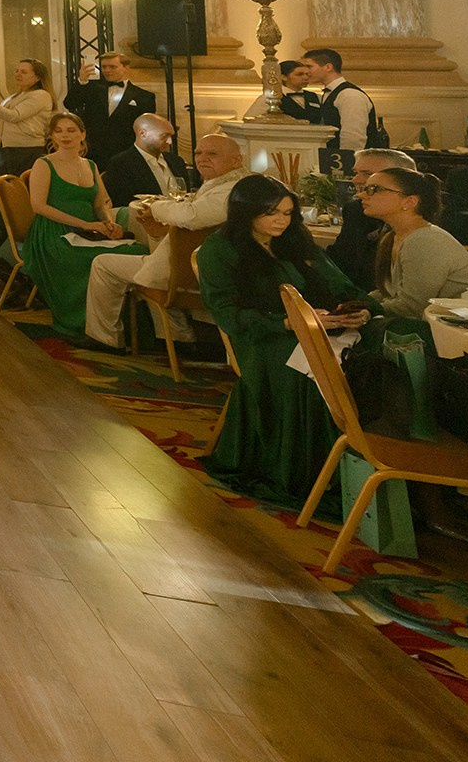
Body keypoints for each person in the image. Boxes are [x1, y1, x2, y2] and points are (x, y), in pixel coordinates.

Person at [198, 174, 371, 510]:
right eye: (271, 213)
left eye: (288, 213)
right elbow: (228, 314)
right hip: (262, 338)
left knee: (377, 343)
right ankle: (308, 469)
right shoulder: (219, 249)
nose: (281, 220)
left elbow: (342, 285)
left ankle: (370, 456)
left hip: (319, 327)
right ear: (246, 212)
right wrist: (286, 322)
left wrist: (359, 310)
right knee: (305, 360)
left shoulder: (294, 240)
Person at [84, 132, 242, 350]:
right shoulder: (225, 185)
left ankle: (105, 339)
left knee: (103, 264)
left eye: (212, 153)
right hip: (191, 267)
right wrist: (158, 232)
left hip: (197, 274)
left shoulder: (232, 190)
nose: (202, 158)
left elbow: (191, 217)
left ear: (236, 161)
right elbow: (187, 232)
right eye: (198, 153)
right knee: (153, 260)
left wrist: (155, 209)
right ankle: (179, 339)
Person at [20, 113, 141, 338]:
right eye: (59, 131)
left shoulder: (91, 165)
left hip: (88, 232)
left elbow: (102, 202)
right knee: (97, 260)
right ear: (52, 136)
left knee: (135, 251)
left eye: (71, 130)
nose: (65, 136)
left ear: (82, 135)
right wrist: (85, 224)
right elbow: (38, 206)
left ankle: (129, 326)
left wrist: (109, 222)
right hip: (53, 234)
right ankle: (85, 324)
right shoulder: (43, 164)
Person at [360, 168, 468, 326]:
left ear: (409, 201)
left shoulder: (425, 240)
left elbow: (413, 307)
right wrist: (359, 304)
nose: (361, 195)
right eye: (364, 189)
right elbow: (387, 291)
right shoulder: (392, 237)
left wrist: (370, 310)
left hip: (455, 330)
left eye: (374, 189)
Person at [328, 148, 417, 285]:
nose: (355, 180)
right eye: (356, 173)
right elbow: (340, 258)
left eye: (368, 173)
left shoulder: (432, 216)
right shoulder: (356, 209)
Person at [0, 60, 58, 177]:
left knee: (22, 187)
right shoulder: (13, 97)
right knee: (8, 188)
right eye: (17, 71)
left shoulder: (41, 95)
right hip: (4, 148)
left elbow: (14, 116)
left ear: (37, 77)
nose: (18, 74)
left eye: (24, 72)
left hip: (24, 148)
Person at [67, 51, 155, 166]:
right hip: (94, 152)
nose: (107, 70)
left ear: (126, 68)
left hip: (126, 153)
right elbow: (70, 103)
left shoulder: (144, 96)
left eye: (112, 67)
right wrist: (82, 81)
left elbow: (146, 128)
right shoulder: (92, 89)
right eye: (104, 67)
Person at [299, 47, 384, 153]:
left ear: (328, 67)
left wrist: (346, 162)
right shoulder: (330, 93)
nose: (305, 71)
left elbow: (353, 137)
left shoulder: (349, 95)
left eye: (309, 66)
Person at [103, 114, 196, 210]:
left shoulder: (176, 161)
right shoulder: (121, 163)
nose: (170, 141)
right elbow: (122, 204)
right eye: (164, 136)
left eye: (171, 136)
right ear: (143, 134)